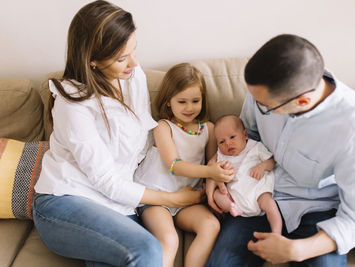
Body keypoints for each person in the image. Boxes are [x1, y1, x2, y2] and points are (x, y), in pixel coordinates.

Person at [32, 1, 203, 266]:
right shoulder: (72, 105)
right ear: (92, 60)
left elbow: (141, 148)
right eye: (122, 58)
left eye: (134, 50)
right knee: (146, 249)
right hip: (66, 202)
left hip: (119, 206)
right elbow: (105, 180)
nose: (134, 62)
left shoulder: (134, 78)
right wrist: (172, 199)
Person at [205, 34, 355, 267]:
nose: (257, 105)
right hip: (256, 196)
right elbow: (247, 135)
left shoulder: (353, 127)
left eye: (264, 106)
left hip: (317, 212)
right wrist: (212, 172)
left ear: (303, 102)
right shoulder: (264, 91)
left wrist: (299, 249)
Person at [133, 63, 234, 267]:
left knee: (210, 225)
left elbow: (212, 160)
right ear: (169, 102)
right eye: (182, 101)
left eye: (195, 101)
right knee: (169, 239)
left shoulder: (209, 129)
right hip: (156, 198)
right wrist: (210, 170)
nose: (189, 108)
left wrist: (215, 175)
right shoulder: (163, 127)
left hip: (188, 197)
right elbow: (174, 165)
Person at [211, 115, 282, 234]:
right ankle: (231, 207)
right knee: (217, 194)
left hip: (258, 191)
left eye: (232, 137)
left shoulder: (255, 147)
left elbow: (271, 161)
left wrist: (262, 166)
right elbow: (216, 175)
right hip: (235, 197)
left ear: (245, 134)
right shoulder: (221, 156)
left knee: (271, 206)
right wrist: (222, 175)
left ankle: (276, 233)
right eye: (222, 142)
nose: (228, 143)